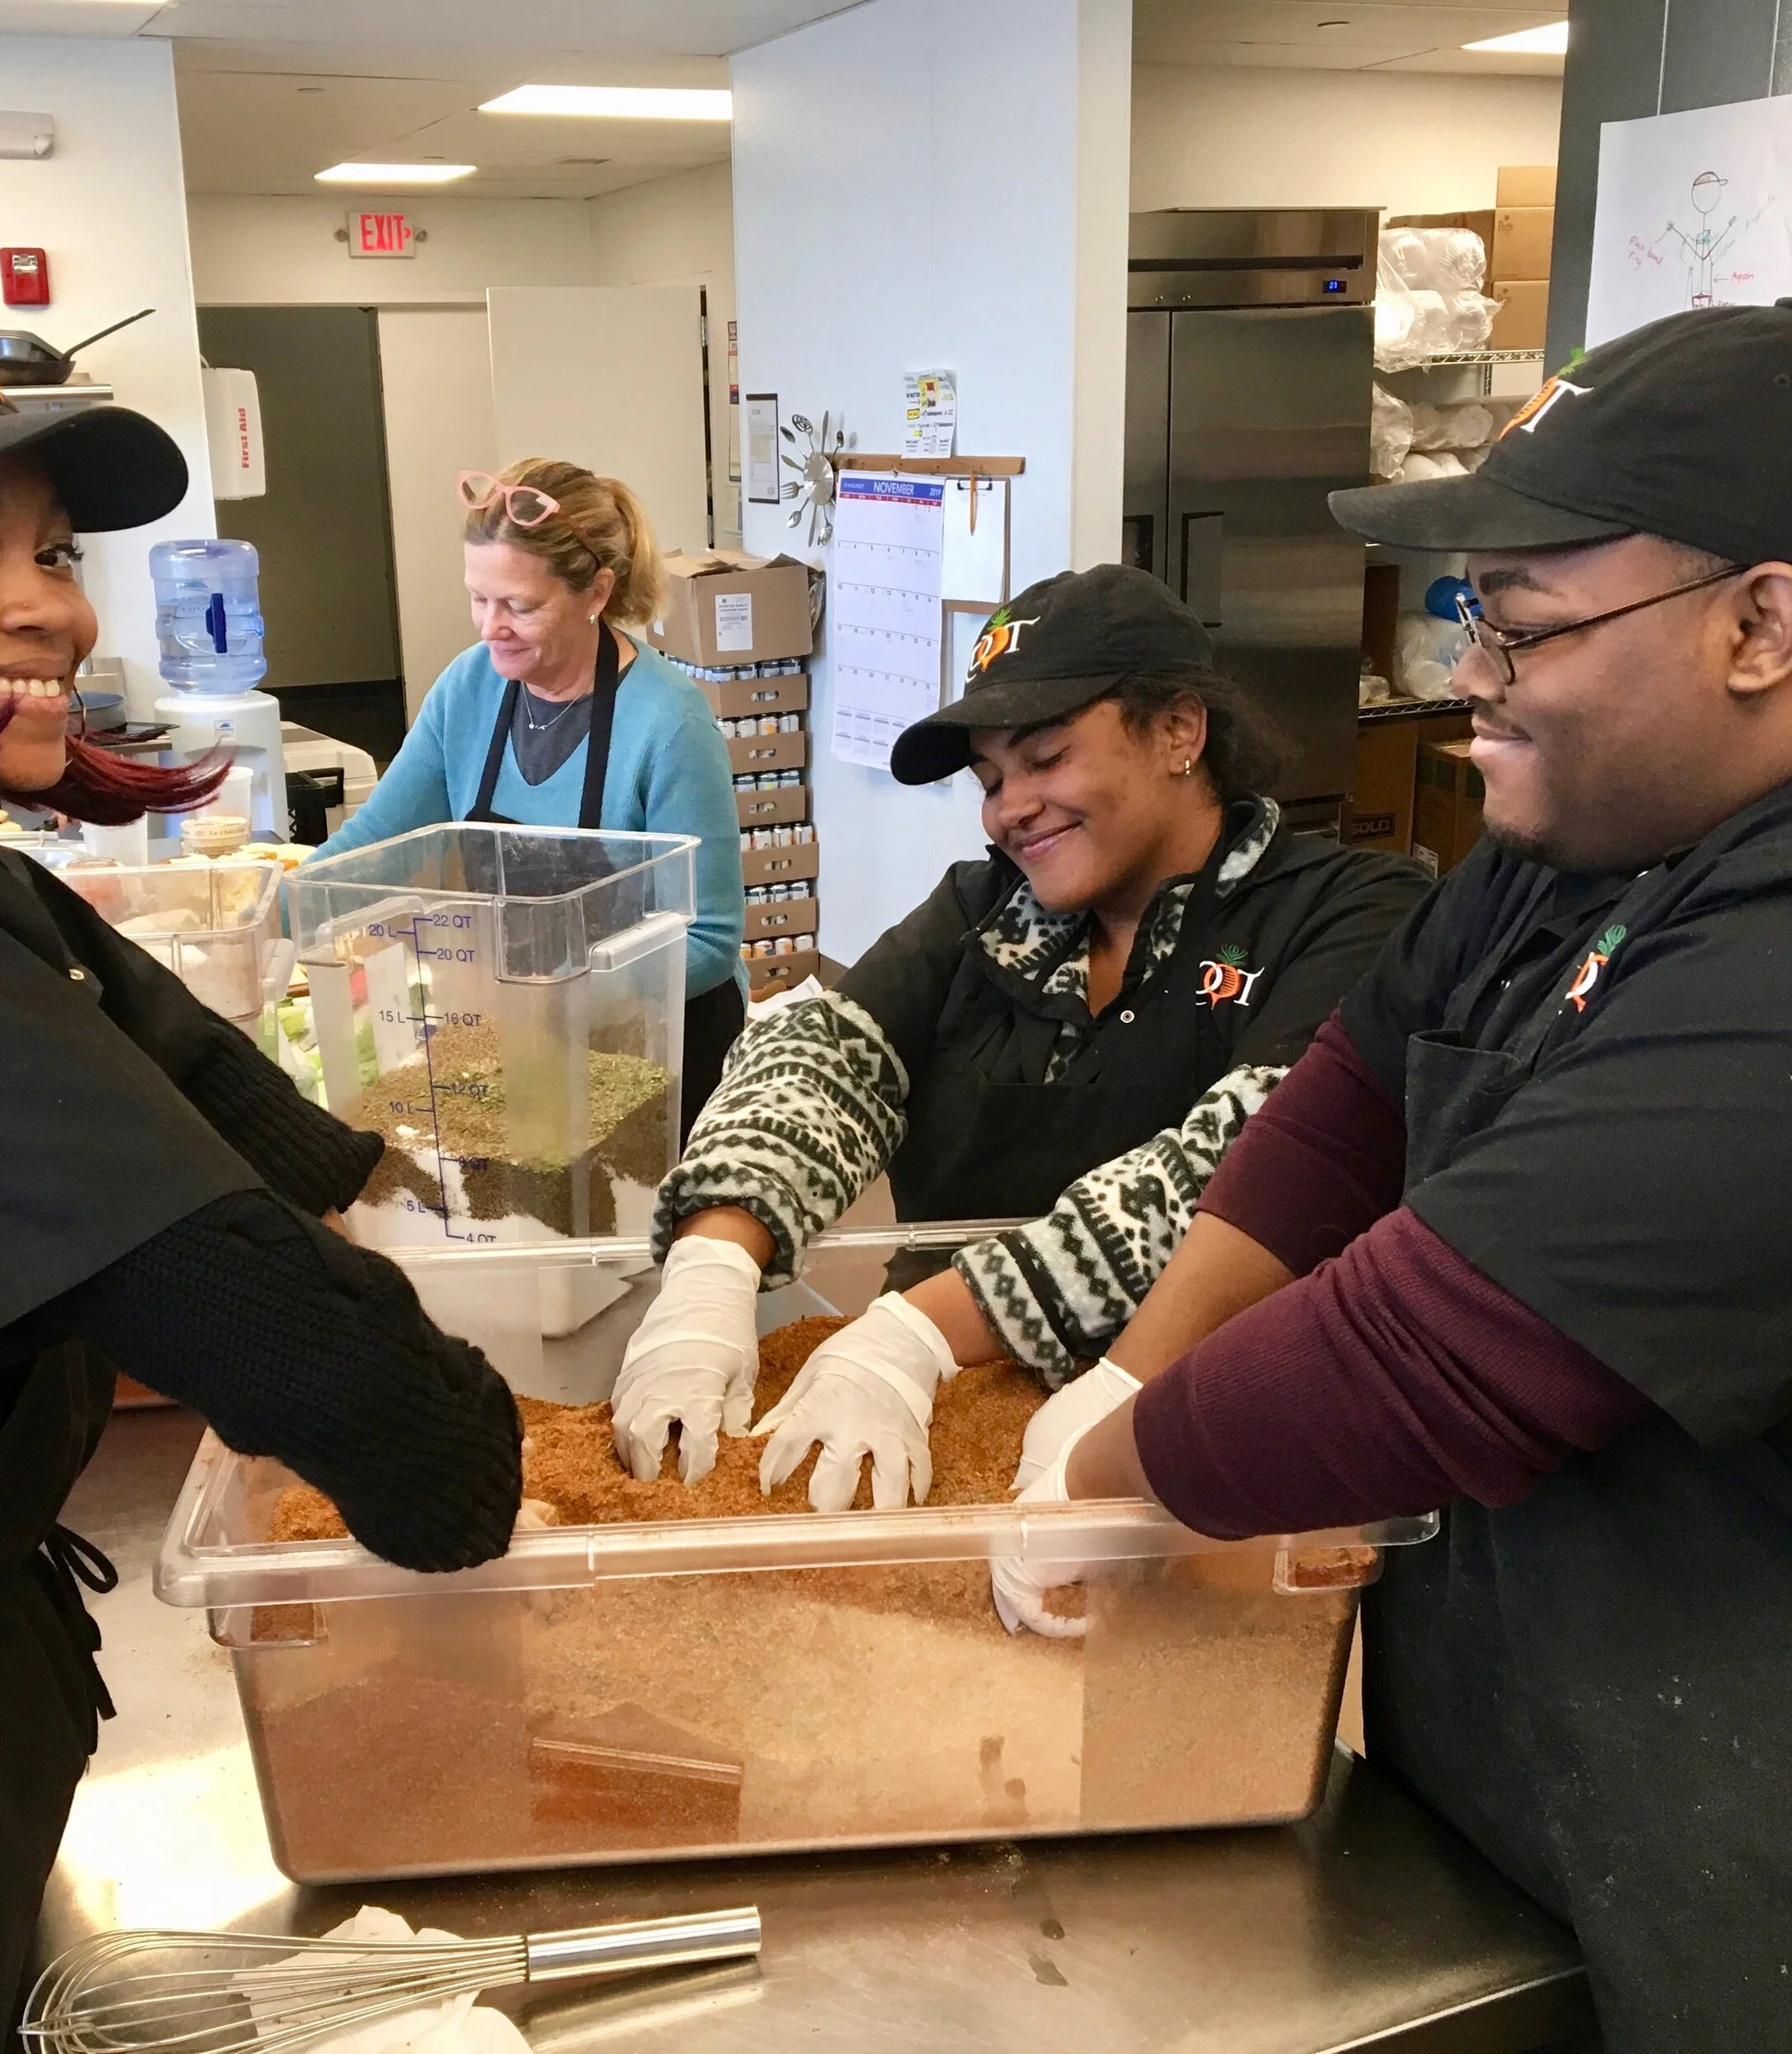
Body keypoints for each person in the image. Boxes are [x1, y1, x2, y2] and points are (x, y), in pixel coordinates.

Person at [995, 306, 1792, 2053]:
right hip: (1521, 1773)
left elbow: (1440, 1347)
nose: (1464, 682)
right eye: (1467, 620)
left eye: (1517, 629)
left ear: (1758, 623)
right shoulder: (1576, 840)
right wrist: (1135, 1367)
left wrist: (1105, 1474)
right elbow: (1355, 1090)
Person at [0, 315, 524, 2054]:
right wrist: (463, 1438)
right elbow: (350, 1397)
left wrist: (416, 1223)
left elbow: (179, 1065)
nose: (50, 605)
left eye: (53, 549)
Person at [611, 562, 1426, 1508]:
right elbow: (820, 1061)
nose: (1009, 809)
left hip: (1175, 1430)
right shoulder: (982, 912)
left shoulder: (1349, 915)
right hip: (913, 1416)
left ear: (1178, 731)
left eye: (1045, 759)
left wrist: (912, 1334)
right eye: (991, 779)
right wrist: (712, 1267)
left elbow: (1242, 1171)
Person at [310, 459, 745, 1135]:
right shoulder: (469, 689)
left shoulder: (669, 724)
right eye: (478, 598)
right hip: (517, 1039)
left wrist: (552, 1000)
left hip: (655, 1050)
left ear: (597, 592)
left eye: (520, 605)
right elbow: (376, 847)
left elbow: (711, 941)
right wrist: (271, 915)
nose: (490, 627)